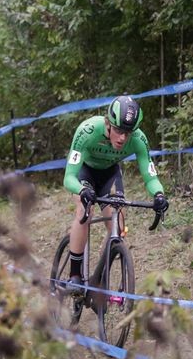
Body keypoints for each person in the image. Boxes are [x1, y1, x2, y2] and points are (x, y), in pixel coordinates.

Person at [60, 95, 168, 290]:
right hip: (85, 172)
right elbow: (69, 178)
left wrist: (159, 195)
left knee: (118, 224)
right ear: (108, 123)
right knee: (85, 211)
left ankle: (100, 278)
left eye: (128, 132)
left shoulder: (138, 139)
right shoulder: (88, 131)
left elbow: (150, 176)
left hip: (110, 173)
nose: (122, 138)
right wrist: (82, 190)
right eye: (118, 130)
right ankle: (74, 275)